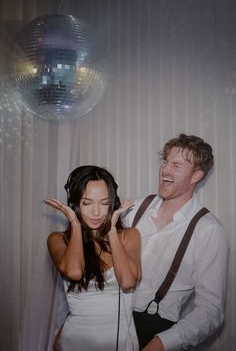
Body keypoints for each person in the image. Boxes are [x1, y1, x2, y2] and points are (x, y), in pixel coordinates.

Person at [123, 134, 229, 351]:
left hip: (154, 331)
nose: (165, 170)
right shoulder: (133, 208)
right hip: (105, 319)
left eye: (176, 165)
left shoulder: (209, 231)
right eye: (165, 161)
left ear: (196, 176)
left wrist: (161, 343)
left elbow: (211, 310)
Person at [44, 165, 141, 351]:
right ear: (74, 204)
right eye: (87, 203)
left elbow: (128, 282)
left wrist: (112, 230)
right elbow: (74, 272)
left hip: (120, 343)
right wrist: (75, 223)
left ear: (113, 205)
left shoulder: (128, 236)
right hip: (74, 342)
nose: (96, 213)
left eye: (104, 203)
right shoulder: (58, 240)